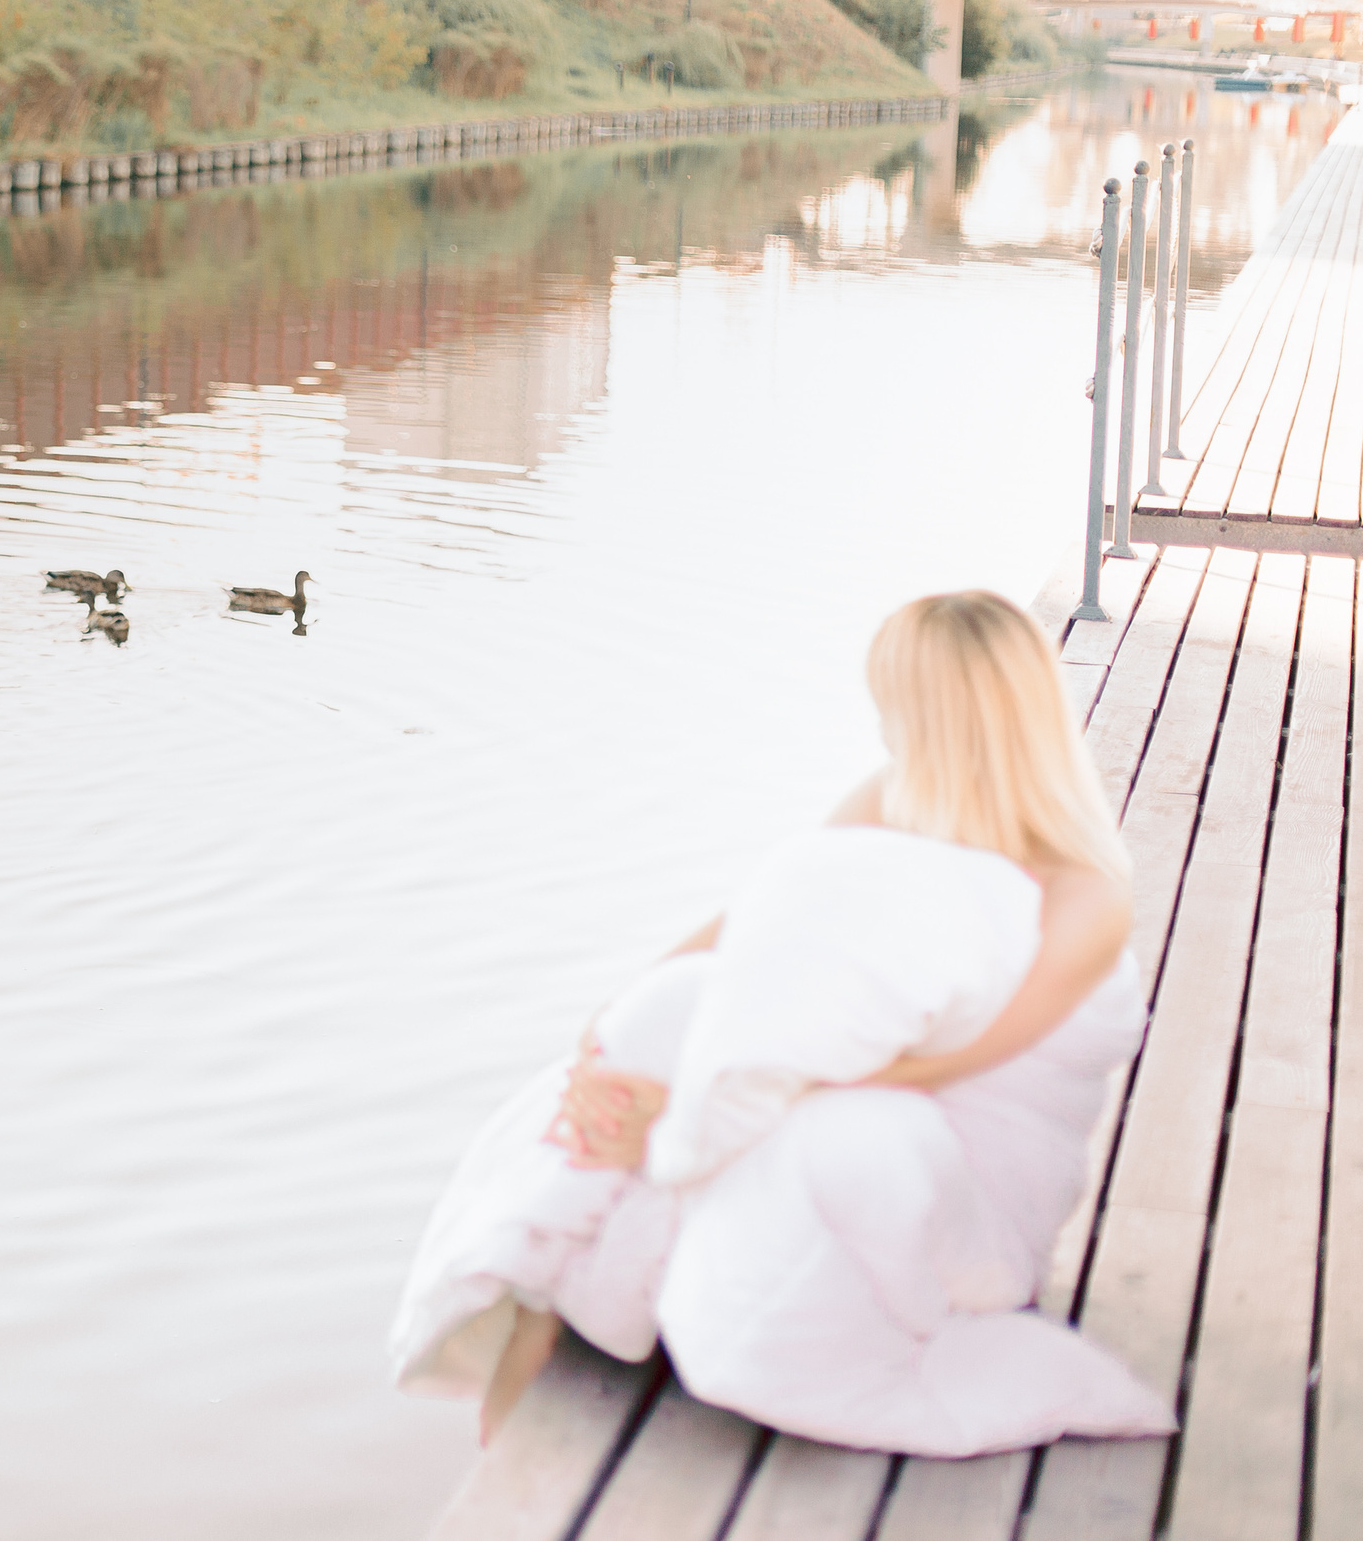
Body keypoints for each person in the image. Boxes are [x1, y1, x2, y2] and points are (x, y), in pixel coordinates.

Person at [388, 591, 1177, 1457]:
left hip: (967, 1192)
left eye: (893, 704)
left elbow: (956, 1062)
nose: (881, 725)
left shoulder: (1086, 893)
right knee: (668, 1011)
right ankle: (545, 1284)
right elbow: (760, 924)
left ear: (943, 713)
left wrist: (712, 1103)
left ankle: (655, 1271)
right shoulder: (893, 797)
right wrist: (608, 1028)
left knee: (832, 1132)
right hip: (851, 1100)